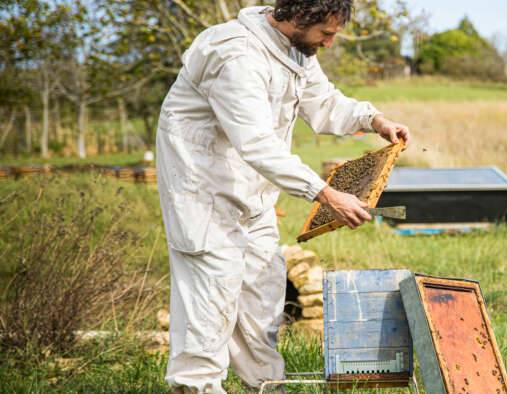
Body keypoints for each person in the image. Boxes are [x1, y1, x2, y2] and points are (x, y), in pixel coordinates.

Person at [155, 1, 410, 392]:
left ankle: (266, 387)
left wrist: (373, 119)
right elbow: (256, 144)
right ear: (299, 17)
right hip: (202, 194)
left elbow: (323, 101)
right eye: (325, 33)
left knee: (262, 297)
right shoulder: (235, 55)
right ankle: (196, 386)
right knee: (210, 304)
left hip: (251, 195)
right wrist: (325, 194)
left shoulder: (295, 49)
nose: (328, 42)